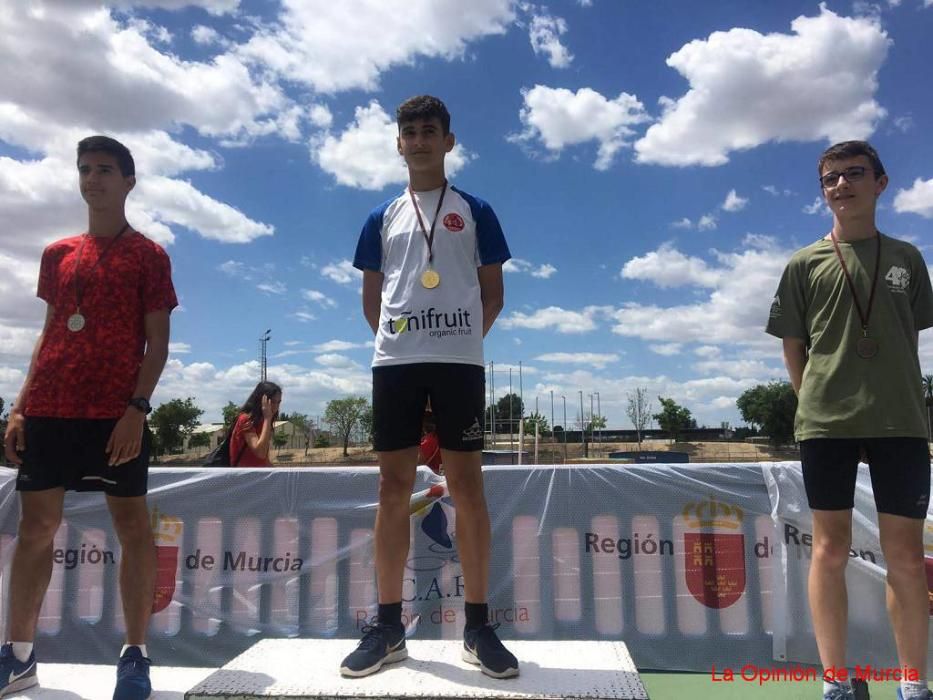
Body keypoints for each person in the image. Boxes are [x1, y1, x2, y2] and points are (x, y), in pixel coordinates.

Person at [341, 95, 516, 679]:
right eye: (409, 132)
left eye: (429, 131)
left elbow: (494, 293)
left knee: (467, 486)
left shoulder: (477, 210)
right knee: (393, 487)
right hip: (395, 363)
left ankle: (478, 625)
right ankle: (388, 627)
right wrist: (402, 344)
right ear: (398, 143)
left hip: (459, 363)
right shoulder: (381, 217)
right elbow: (373, 299)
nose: (418, 140)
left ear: (448, 141)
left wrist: (462, 341)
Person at [1, 135, 177, 700]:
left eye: (105, 170)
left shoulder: (149, 254)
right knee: (35, 531)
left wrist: (137, 410)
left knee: (131, 530)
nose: (93, 179)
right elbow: (50, 332)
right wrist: (21, 405)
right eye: (85, 170)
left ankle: (135, 655)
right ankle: (19, 655)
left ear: (129, 181)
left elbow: (157, 345)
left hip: (112, 415)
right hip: (51, 408)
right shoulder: (57, 254)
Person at [766, 140, 933, 700]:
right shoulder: (803, 263)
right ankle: (836, 681)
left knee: (906, 556)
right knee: (829, 550)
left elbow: (907, 336)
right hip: (827, 423)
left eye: (854, 174)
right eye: (830, 179)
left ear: (881, 183)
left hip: (901, 421)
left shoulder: (908, 258)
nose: (841, 185)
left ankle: (913, 683)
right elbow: (794, 346)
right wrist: (814, 400)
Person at [228, 381, 282, 467]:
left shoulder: (263, 422)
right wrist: (267, 419)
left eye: (278, 402)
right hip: (243, 476)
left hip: (258, 475)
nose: (276, 406)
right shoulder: (246, 419)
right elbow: (260, 452)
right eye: (272, 402)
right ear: (261, 401)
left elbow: (264, 459)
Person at [420, 405, 443, 476]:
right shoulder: (439, 438)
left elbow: (418, 463)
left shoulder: (429, 440)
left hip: (428, 477)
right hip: (437, 475)